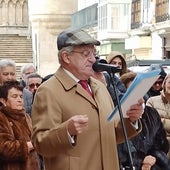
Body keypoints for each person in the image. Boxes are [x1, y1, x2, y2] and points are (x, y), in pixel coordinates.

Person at [31, 28, 144, 170]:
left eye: (94, 53)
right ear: (66, 57)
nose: (93, 59)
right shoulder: (48, 91)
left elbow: (112, 134)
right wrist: (66, 131)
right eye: (86, 54)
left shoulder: (100, 87)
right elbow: (40, 144)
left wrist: (131, 120)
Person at [118, 71, 170, 170]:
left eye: (139, 91)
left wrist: (152, 158)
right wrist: (141, 160)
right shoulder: (119, 117)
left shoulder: (151, 113)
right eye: (132, 91)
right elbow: (120, 148)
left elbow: (162, 142)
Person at [0, 80, 40, 170]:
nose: (19, 100)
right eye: (14, 96)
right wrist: (29, 145)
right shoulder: (1, 118)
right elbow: (3, 148)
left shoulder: (26, 116)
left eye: (21, 96)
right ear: (3, 100)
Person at [146, 73, 170, 158]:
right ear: (165, 83)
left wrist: (161, 121)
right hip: (158, 152)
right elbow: (149, 126)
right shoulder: (151, 101)